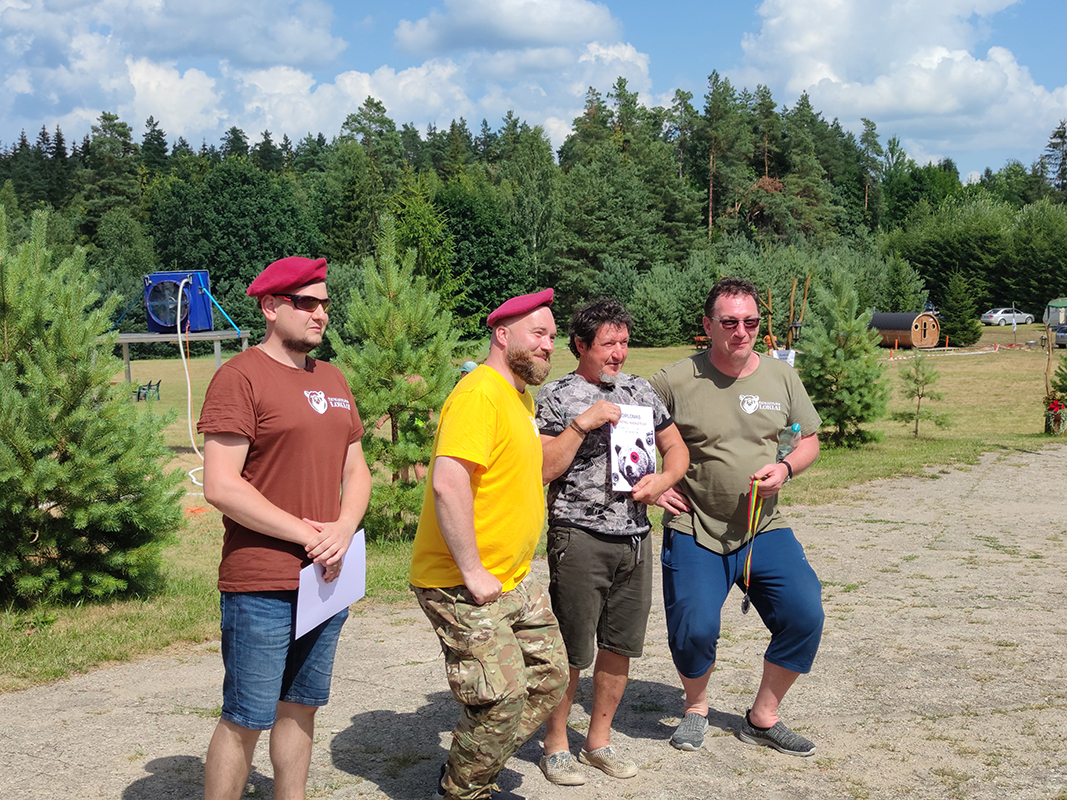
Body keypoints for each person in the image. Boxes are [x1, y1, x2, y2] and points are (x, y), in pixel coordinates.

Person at [198, 256, 372, 800]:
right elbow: (221, 486)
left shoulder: (333, 378)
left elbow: (357, 470)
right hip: (261, 582)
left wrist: (343, 528)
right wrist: (310, 535)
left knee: (301, 706)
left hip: (325, 579)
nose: (321, 313)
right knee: (246, 716)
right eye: (307, 303)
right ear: (271, 307)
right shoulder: (239, 377)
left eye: (325, 303)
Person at [649, 276, 824, 757]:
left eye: (750, 322)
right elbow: (628, 433)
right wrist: (653, 485)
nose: (741, 331)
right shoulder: (673, 380)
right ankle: (696, 707)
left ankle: (763, 717)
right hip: (695, 526)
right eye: (729, 322)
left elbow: (809, 440)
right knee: (694, 627)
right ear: (708, 325)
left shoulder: (781, 376)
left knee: (804, 613)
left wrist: (785, 468)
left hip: (762, 526)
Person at [409, 289, 569, 800]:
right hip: (460, 580)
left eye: (552, 336)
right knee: (501, 697)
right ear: (502, 335)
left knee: (550, 677)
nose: (549, 345)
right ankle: (465, 788)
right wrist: (473, 570)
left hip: (511, 577)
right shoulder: (479, 393)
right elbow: (448, 481)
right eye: (538, 333)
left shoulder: (519, 396)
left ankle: (472, 760)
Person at [535, 299, 689, 785]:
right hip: (578, 535)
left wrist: (664, 480)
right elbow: (543, 468)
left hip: (635, 536)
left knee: (619, 645)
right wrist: (584, 422)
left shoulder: (640, 390)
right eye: (608, 343)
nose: (618, 352)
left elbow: (676, 448)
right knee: (572, 648)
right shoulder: (557, 395)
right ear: (581, 345)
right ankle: (556, 745)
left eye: (624, 342)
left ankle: (597, 743)